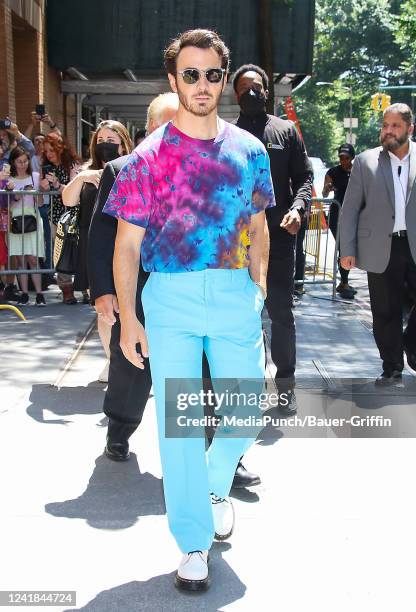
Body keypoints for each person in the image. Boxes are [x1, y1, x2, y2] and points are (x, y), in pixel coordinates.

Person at [103, 29, 274, 591]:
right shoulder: (145, 159)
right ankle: (193, 543)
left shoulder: (250, 150)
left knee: (246, 409)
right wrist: (128, 317)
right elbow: (127, 245)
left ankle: (214, 483)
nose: (202, 84)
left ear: (224, 80)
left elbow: (258, 226)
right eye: (191, 74)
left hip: (232, 293)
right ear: (173, 81)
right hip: (171, 298)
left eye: (212, 74)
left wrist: (259, 288)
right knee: (178, 428)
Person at [88, 94, 179, 447]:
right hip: (135, 285)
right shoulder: (122, 168)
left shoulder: (200, 168)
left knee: (198, 370)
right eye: (167, 124)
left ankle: (211, 444)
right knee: (131, 364)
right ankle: (119, 433)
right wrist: (103, 292)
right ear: (151, 127)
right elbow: (102, 235)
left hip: (185, 287)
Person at [232, 63, 313, 414]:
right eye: (244, 87)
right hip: (235, 242)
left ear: (267, 90)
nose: (251, 92)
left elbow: (305, 178)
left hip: (278, 239)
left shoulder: (286, 131)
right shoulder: (225, 135)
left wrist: (298, 207)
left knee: (280, 313)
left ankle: (285, 387)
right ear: (235, 95)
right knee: (239, 318)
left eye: (257, 86)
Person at [340, 103, 416, 385]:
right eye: (385, 125)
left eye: (395, 126)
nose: (388, 131)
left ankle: (410, 343)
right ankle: (392, 366)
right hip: (381, 248)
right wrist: (347, 250)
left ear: (410, 129)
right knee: (385, 310)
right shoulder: (365, 160)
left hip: (414, 243)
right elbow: (349, 209)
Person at [62, 121, 133, 380]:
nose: (105, 144)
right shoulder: (86, 171)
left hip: (126, 247)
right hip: (94, 248)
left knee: (130, 306)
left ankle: (134, 361)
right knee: (103, 309)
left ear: (123, 141)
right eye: (101, 139)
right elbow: (68, 201)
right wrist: (81, 178)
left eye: (111, 139)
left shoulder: (132, 167)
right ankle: (111, 360)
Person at [39, 133, 81, 304]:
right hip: (56, 216)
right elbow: (42, 196)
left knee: (78, 251)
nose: (49, 154)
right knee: (60, 254)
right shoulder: (47, 168)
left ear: (60, 149)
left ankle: (85, 288)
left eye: (52, 150)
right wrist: (42, 188)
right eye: (46, 151)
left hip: (74, 215)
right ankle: (66, 291)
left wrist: (57, 185)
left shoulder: (72, 165)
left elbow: (75, 190)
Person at [7, 146, 45, 306]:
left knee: (33, 258)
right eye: (19, 162)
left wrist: (40, 191)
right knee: (20, 259)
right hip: (15, 219)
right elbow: (7, 202)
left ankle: (39, 294)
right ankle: (24, 293)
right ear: (13, 163)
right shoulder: (8, 179)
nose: (22, 164)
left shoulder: (35, 177)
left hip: (33, 218)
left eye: (25, 161)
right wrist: (15, 193)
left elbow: (42, 202)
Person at [322, 143, 357, 299]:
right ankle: (343, 282)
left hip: (355, 215)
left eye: (346, 158)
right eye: (341, 158)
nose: (343, 161)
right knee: (343, 247)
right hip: (337, 215)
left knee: (351, 248)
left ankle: (345, 280)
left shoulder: (358, 172)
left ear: (352, 157)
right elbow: (323, 193)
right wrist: (328, 188)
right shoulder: (333, 172)